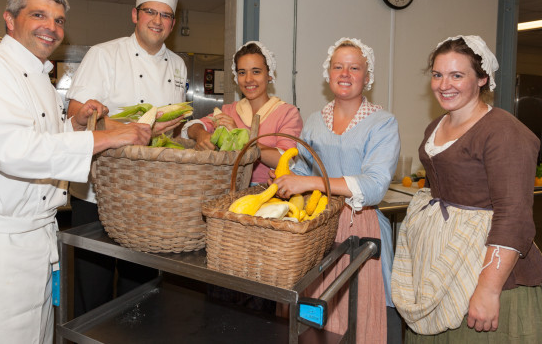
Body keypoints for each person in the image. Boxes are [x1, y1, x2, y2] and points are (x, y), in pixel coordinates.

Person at [0, 0, 151, 343]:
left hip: (35, 240)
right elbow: (14, 150)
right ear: (10, 19)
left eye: (59, 20)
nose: (51, 27)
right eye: (38, 15)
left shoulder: (41, 75)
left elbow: (46, 138)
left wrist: (76, 122)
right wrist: (112, 136)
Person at [392, 35, 542, 342]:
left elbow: (513, 218)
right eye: (437, 74)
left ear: (483, 79)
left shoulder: (503, 132)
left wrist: (488, 290)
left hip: (487, 270)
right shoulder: (435, 126)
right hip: (442, 264)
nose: (444, 84)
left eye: (457, 75)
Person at [65, 0, 186, 316]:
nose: (158, 21)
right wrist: (138, 127)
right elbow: (77, 113)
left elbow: (174, 128)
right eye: (151, 12)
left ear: (173, 23)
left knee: (143, 289)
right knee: (94, 285)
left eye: (166, 15)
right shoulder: (104, 54)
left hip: (149, 194)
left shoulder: (177, 65)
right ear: (135, 14)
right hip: (99, 192)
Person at [272, 37, 401, 343]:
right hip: (317, 229)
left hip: (360, 229)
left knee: (356, 319)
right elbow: (302, 171)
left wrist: (309, 183)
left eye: (354, 67)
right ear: (327, 74)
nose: (345, 73)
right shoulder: (315, 122)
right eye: (338, 66)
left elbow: (373, 186)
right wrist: (283, 184)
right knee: (316, 316)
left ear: (367, 78)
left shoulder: (383, 123)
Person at [183, 41, 303, 184]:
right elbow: (191, 126)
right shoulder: (229, 110)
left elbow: (286, 160)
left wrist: (242, 139)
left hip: (268, 192)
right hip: (229, 190)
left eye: (256, 71)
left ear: (269, 74)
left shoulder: (286, 113)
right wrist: (201, 134)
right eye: (242, 73)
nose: (248, 79)